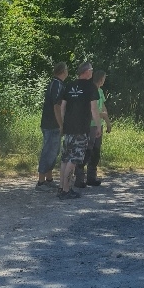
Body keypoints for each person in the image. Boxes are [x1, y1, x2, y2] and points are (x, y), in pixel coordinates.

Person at [57, 62, 102, 201]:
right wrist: (98, 126)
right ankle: (66, 189)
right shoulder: (91, 87)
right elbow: (94, 109)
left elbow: (62, 107)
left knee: (65, 158)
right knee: (74, 159)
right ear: (87, 72)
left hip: (68, 128)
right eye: (91, 70)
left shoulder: (69, 86)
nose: (92, 72)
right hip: (81, 128)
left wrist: (62, 124)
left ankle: (61, 187)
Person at [75, 68, 111, 188]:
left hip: (98, 125)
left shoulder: (100, 91)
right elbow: (91, 110)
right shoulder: (90, 90)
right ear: (101, 79)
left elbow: (103, 107)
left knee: (96, 152)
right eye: (104, 78)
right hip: (90, 125)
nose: (105, 80)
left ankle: (91, 177)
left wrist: (107, 122)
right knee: (87, 151)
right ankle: (79, 177)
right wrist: (103, 116)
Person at [35, 62, 68, 190]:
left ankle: (49, 179)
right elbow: (56, 106)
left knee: (54, 152)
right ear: (63, 71)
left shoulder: (55, 83)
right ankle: (41, 182)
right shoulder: (57, 85)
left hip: (50, 124)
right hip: (51, 124)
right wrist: (61, 124)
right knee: (48, 151)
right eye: (66, 70)